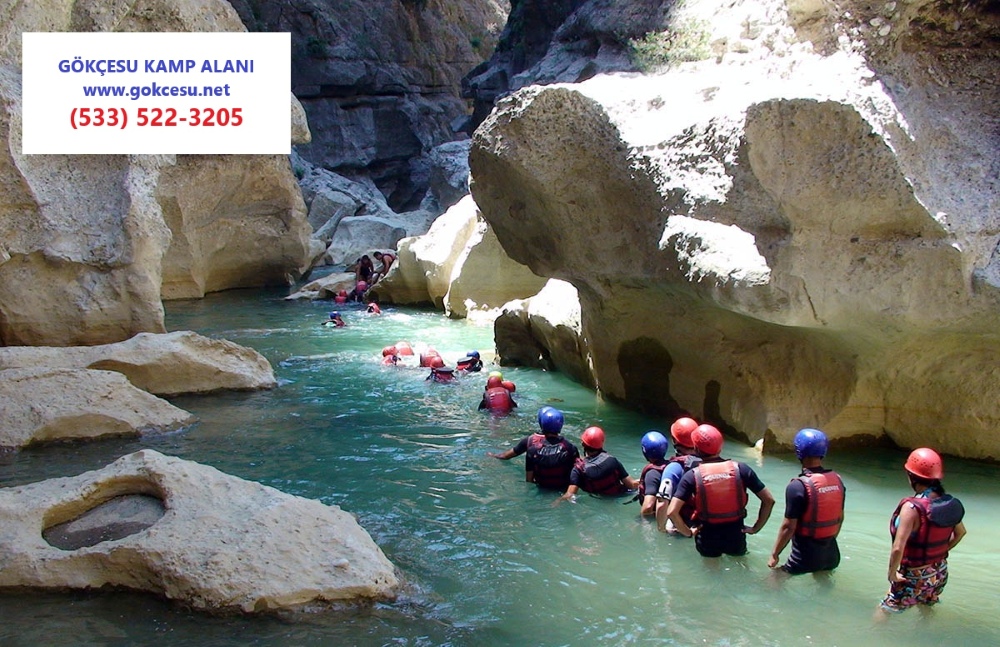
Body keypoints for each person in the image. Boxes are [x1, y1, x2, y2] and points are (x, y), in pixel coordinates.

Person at [878, 447, 966, 615]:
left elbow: (898, 547)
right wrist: (938, 552)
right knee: (926, 607)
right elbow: (961, 532)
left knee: (884, 609)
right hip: (939, 572)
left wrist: (892, 574)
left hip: (914, 575)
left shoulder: (911, 508)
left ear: (910, 476)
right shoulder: (946, 503)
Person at [667, 424, 775, 558]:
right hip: (736, 535)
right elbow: (769, 500)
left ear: (696, 448)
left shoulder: (692, 476)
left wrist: (688, 532)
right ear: (720, 446)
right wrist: (755, 528)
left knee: (712, 572)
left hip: (707, 537)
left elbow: (672, 511)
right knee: (739, 567)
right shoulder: (741, 469)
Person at [768, 428, 845, 574]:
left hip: (804, 558)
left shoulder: (797, 486)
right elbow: (840, 518)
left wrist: (774, 554)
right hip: (831, 554)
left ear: (799, 452)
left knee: (774, 579)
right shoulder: (838, 481)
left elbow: (788, 527)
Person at [489, 407, 579, 491]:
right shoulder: (570, 447)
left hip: (542, 489)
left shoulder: (531, 445)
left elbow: (529, 480)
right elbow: (578, 471)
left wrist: (493, 456)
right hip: (564, 489)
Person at [557, 427, 639, 503]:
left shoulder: (578, 469)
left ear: (583, 444)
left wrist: (558, 501)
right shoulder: (612, 460)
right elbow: (632, 485)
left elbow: (570, 495)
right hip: (619, 496)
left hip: (599, 500)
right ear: (602, 443)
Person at [656, 417, 702, 533]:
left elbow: (662, 502)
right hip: (706, 524)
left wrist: (661, 530)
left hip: (683, 527)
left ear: (675, 441)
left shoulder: (674, 468)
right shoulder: (709, 462)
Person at [636, 431, 670, 518]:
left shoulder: (652, 474)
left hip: (656, 517)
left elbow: (648, 506)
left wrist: (640, 521)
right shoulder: (671, 466)